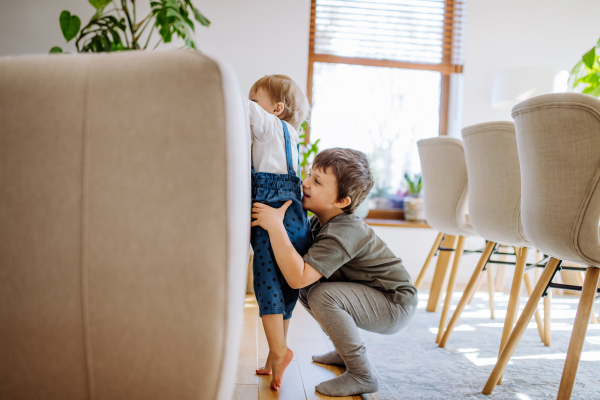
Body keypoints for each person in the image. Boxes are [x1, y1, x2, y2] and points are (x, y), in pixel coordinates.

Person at [251, 148, 418, 397]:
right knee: (309, 287)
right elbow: (297, 277)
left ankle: (363, 374)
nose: (305, 184)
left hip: (395, 304)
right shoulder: (321, 222)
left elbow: (296, 276)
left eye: (317, 181)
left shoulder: (344, 231)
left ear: (341, 201)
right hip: (373, 295)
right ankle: (343, 351)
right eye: (309, 175)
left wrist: (275, 227)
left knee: (319, 293)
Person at [247, 74, 311, 391]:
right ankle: (277, 358)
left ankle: (279, 350)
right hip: (295, 215)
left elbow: (241, 110)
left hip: (273, 213)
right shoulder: (292, 135)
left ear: (276, 108)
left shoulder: (270, 125)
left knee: (266, 281)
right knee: (284, 286)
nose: (252, 107)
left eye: (256, 100)